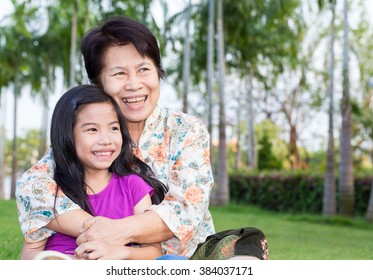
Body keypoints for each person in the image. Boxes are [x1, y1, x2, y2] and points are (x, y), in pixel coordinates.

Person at [16, 16, 268, 260]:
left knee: (247, 249)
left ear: (158, 72)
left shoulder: (186, 129)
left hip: (187, 258)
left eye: (144, 69)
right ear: (97, 83)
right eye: (119, 74)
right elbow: (33, 186)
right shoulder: (86, 138)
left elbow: (184, 212)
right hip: (112, 261)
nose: (134, 84)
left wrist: (114, 231)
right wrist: (93, 228)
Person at [19, 84, 168, 260]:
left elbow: (153, 252)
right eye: (92, 130)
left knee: (173, 262)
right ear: (67, 135)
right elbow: (30, 252)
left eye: (114, 128)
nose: (106, 140)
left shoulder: (133, 186)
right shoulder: (52, 191)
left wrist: (120, 252)